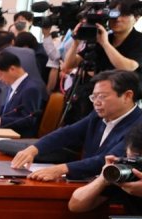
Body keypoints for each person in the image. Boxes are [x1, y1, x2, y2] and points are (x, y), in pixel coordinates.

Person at [11, 70, 142, 181]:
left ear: (127, 96)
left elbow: (108, 159)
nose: (96, 102)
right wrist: (33, 149)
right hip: (85, 183)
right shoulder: (97, 115)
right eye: (94, 97)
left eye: (102, 96)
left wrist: (62, 169)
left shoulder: (138, 125)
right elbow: (67, 133)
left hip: (113, 191)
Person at [69, 122, 142, 214]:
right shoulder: (126, 172)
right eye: (134, 158)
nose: (138, 165)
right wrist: (104, 178)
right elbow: (75, 205)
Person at [0, 51, 48, 138]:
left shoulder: (31, 88)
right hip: (5, 132)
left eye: (0, 74)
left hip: (18, 137)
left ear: (12, 69)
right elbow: (11, 111)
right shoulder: (13, 85)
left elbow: (29, 120)